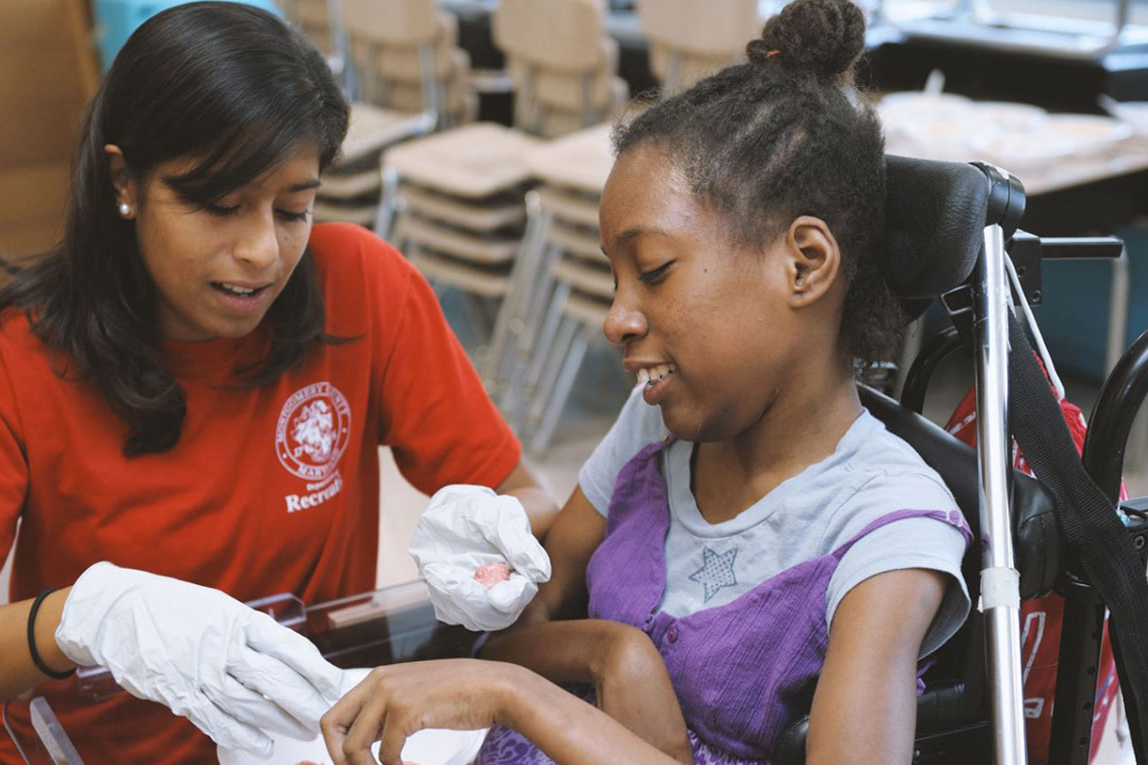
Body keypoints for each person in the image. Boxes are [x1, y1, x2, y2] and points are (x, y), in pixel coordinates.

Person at [320, 2, 972, 764]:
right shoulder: (654, 425)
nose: (616, 318)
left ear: (803, 263)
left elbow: (509, 673)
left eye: (654, 271)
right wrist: (612, 651)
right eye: (615, 277)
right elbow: (523, 627)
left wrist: (515, 695)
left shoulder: (885, 533)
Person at [0, 4, 556, 765]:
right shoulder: (4, 356)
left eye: (294, 207)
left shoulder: (361, 288)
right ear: (125, 179)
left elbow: (523, 496)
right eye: (218, 205)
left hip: (290, 745)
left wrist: (493, 533)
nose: (262, 249)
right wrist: (80, 620)